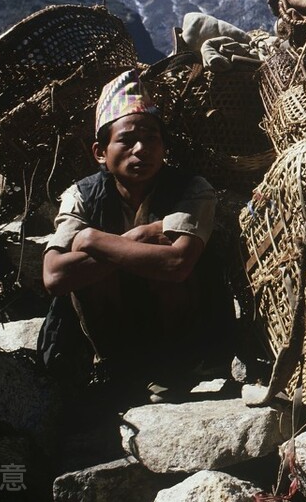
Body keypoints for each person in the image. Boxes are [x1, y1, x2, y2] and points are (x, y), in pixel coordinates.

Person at [40, 69, 231, 393]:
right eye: (127, 140)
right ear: (100, 152)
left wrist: (92, 242)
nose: (141, 149)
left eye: (151, 139)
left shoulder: (192, 189)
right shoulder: (81, 196)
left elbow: (177, 264)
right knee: (105, 271)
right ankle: (116, 371)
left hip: (182, 341)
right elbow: (55, 276)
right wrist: (139, 239)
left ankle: (179, 369)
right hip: (115, 340)